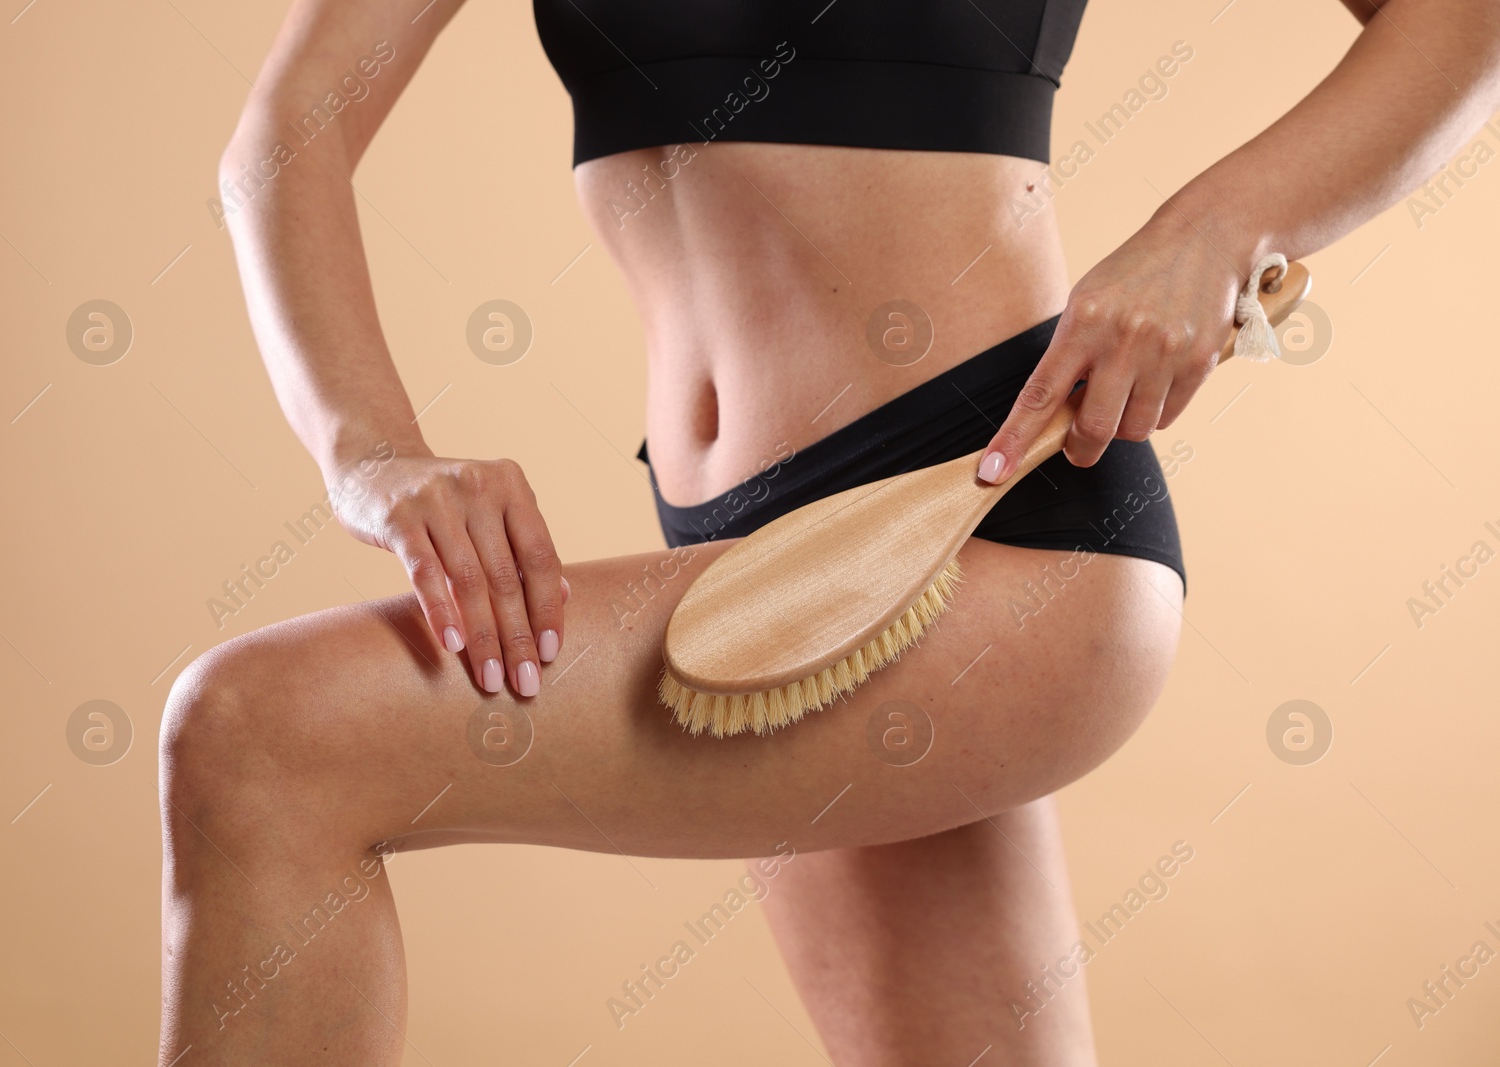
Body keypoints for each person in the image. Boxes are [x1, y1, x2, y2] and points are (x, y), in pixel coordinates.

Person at [159, 0, 1500, 1062]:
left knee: (265, 739)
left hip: (995, 517)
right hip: (751, 558)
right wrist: (375, 454)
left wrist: (1208, 233)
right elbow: (281, 146)